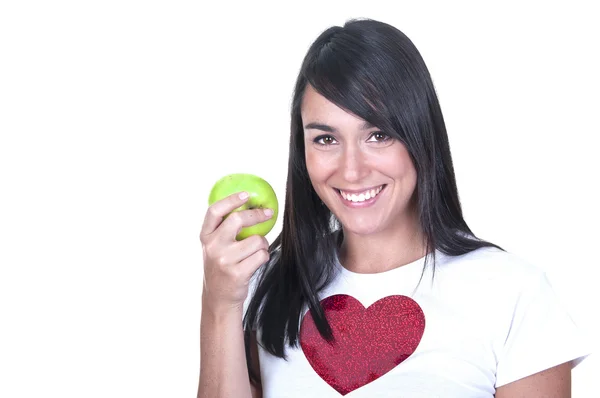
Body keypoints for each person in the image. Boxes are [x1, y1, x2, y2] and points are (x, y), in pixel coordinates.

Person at [197, 18, 591, 397]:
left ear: (420, 136)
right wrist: (220, 302)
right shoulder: (271, 286)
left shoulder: (512, 293)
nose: (351, 170)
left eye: (378, 134)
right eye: (325, 140)